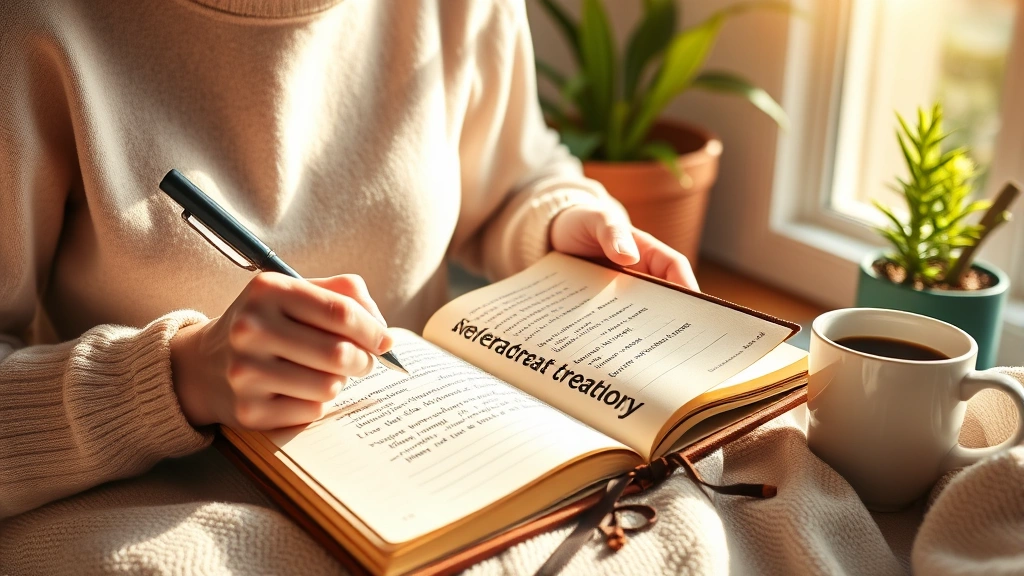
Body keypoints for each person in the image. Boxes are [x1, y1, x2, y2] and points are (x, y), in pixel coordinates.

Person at [0, 0, 697, 571]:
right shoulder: (32, 26)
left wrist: (560, 224)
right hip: (158, 512)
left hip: (439, 472)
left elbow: (517, 171)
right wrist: (174, 378)